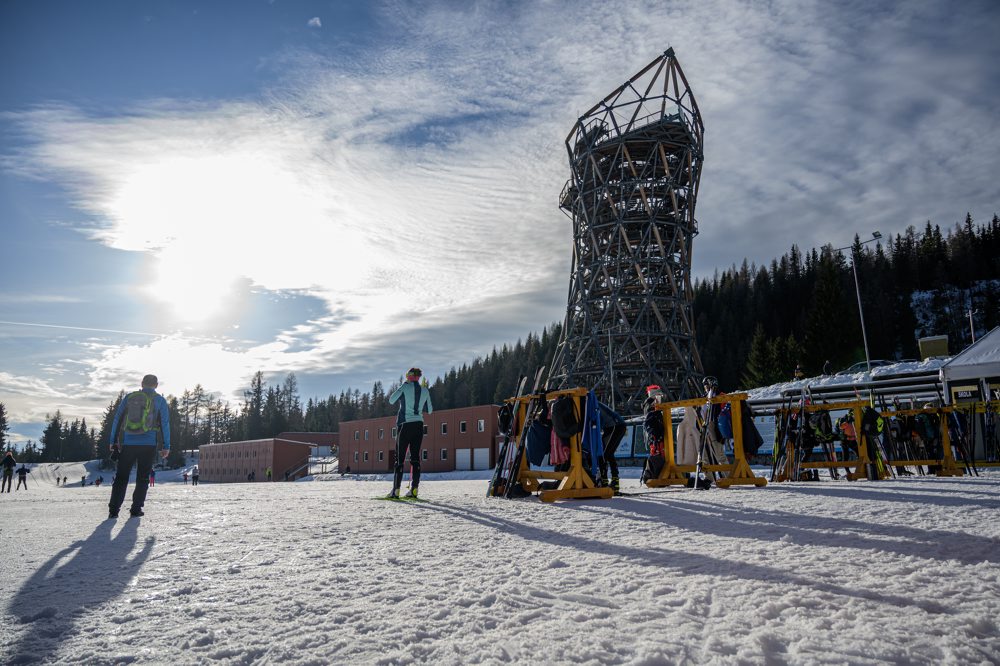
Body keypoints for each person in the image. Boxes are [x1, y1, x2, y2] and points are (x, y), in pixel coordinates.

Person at [107, 374, 171, 519]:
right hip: (149, 444)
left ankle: (113, 510)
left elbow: (117, 419)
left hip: (129, 443)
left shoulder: (130, 398)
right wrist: (166, 445)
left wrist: (113, 440)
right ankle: (136, 509)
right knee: (142, 477)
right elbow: (165, 424)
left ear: (142, 384)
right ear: (156, 385)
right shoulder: (160, 401)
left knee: (121, 477)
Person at [387, 367, 433, 499]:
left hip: (405, 425)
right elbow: (430, 410)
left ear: (410, 376)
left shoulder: (405, 387)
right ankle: (414, 490)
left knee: (399, 459)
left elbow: (391, 400)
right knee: (415, 459)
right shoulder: (425, 390)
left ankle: (396, 491)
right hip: (419, 426)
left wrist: (403, 386)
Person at [597, 401, 626, 494]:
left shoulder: (590, 403)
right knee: (609, 454)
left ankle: (604, 480)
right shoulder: (593, 401)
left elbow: (599, 420)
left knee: (602, 454)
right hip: (618, 425)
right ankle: (615, 481)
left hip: (613, 426)